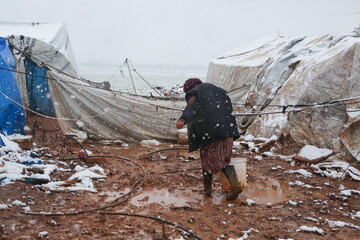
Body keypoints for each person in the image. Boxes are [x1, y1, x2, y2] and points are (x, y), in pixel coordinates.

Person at [176, 78, 242, 201]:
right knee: (219, 160)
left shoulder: (194, 92)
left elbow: (192, 108)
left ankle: (233, 187)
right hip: (227, 131)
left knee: (214, 162)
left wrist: (183, 119)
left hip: (211, 133)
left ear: (189, 88)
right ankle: (209, 190)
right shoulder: (221, 91)